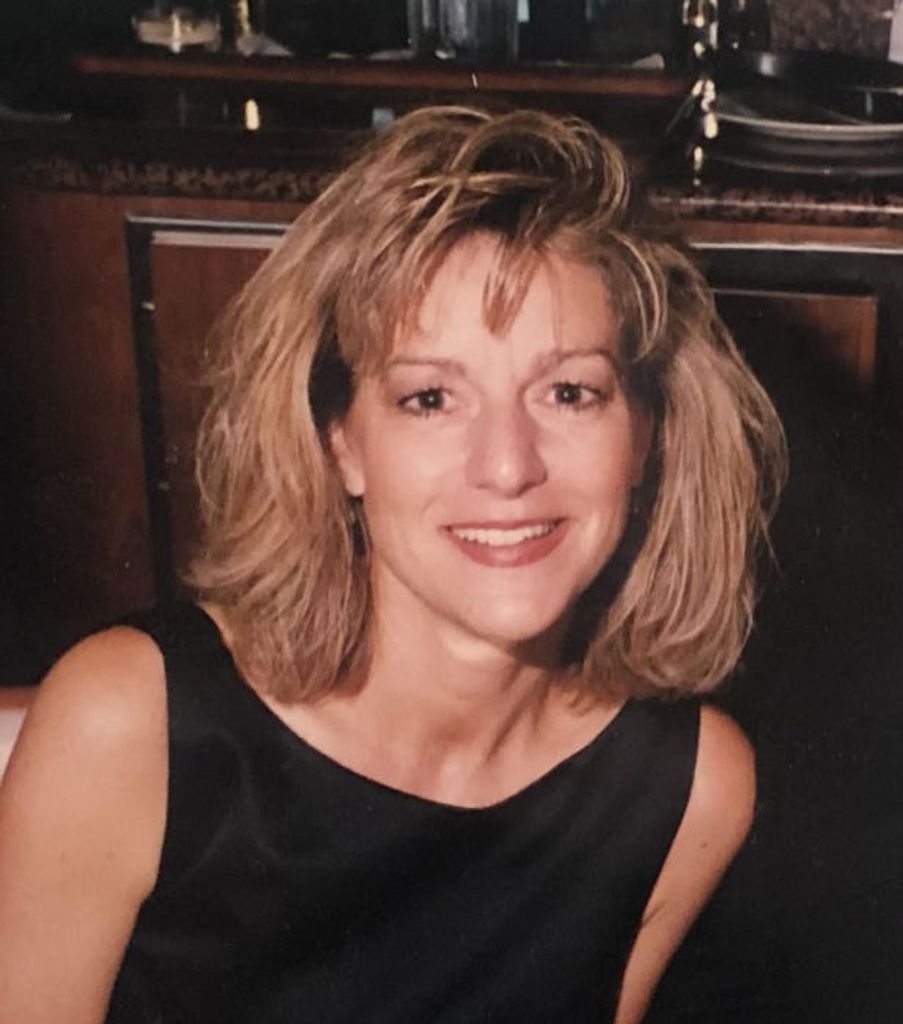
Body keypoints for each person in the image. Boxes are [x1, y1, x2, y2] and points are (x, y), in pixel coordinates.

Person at [0, 106, 786, 1024]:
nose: (507, 466)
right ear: (339, 442)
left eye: (570, 392)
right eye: (430, 399)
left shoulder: (693, 789)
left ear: (646, 434)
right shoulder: (131, 725)